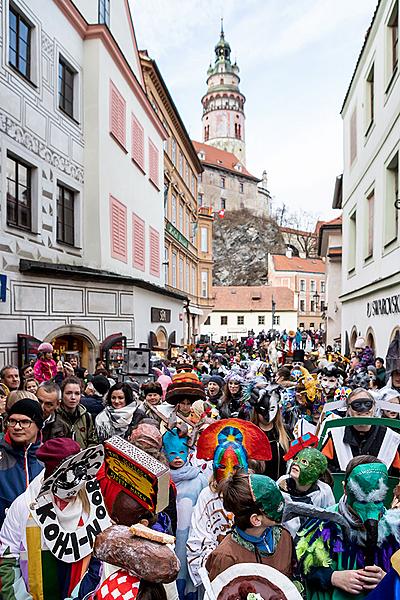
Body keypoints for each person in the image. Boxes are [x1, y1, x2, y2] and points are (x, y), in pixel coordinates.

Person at [0, 438, 110, 599]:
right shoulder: (23, 506)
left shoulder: (93, 502)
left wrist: (80, 597)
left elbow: (100, 559)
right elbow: (7, 558)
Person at [296, 455, 400, 599]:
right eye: (362, 502)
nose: (370, 512)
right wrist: (333, 577)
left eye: (377, 501)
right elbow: (301, 567)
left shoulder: (394, 530)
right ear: (345, 488)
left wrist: (388, 579)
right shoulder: (322, 524)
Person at [187, 418, 272, 589]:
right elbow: (197, 541)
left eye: (235, 467)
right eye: (222, 466)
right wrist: (217, 573)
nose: (228, 473)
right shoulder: (207, 496)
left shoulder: (257, 492)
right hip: (217, 575)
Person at [205, 470, 292, 581]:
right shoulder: (227, 557)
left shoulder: (284, 538)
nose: (282, 508)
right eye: (273, 506)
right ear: (256, 520)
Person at [163, 428, 209, 600]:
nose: (177, 457)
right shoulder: (161, 478)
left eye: (181, 452)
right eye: (172, 452)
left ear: (189, 453)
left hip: (190, 540)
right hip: (167, 537)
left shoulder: (199, 479)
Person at [320, 387, 400, 475]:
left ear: (373, 408)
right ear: (348, 409)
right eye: (357, 404)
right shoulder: (336, 436)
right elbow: (324, 468)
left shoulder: (390, 438)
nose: (363, 409)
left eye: (367, 404)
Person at [0, 398, 44, 527]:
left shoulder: (48, 457)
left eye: (25, 422)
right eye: (12, 421)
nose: (17, 427)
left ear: (38, 426)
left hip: (39, 536)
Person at [278, 441, 335, 537]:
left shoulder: (323, 491)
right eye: (296, 459)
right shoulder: (281, 483)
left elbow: (330, 517)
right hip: (285, 537)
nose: (296, 464)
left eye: (304, 462)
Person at [249, 384, 291, 480]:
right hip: (258, 487)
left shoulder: (285, 432)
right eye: (263, 410)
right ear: (256, 411)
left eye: (271, 409)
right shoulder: (249, 434)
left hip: (281, 487)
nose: (267, 416)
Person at [45, 376, 97, 448]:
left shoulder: (86, 417)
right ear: (62, 395)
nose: (73, 397)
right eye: (68, 393)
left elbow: (93, 441)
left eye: (77, 393)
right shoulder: (53, 416)